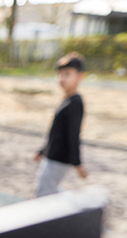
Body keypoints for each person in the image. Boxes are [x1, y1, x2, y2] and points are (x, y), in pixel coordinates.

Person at [34, 52, 88, 197]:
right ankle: (74, 208)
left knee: (44, 193)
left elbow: (73, 134)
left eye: (67, 74)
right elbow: (56, 131)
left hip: (59, 158)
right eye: (60, 74)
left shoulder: (75, 103)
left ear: (79, 76)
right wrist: (43, 150)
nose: (62, 78)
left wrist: (78, 164)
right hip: (51, 155)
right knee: (51, 190)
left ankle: (75, 210)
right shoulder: (67, 100)